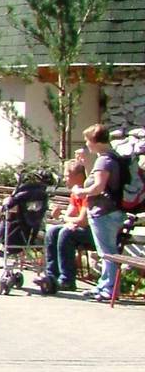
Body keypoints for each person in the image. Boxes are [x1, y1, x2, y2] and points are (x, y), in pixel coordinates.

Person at [78, 124, 130, 302]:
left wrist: (80, 192)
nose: (86, 144)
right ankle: (104, 285)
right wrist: (86, 165)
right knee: (107, 250)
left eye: (87, 140)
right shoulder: (113, 157)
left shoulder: (104, 160)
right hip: (113, 211)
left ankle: (109, 289)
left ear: (95, 141)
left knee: (107, 252)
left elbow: (97, 187)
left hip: (104, 212)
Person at [39, 160, 92, 292]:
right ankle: (51, 276)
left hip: (94, 232)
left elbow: (83, 220)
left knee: (66, 233)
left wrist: (68, 219)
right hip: (80, 228)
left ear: (78, 176)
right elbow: (69, 215)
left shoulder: (86, 192)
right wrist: (63, 216)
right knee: (52, 231)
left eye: (67, 176)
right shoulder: (75, 192)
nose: (65, 179)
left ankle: (67, 280)